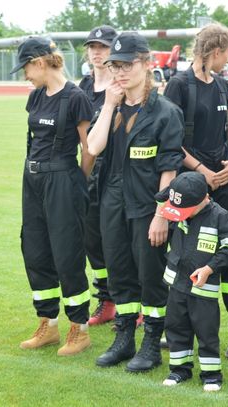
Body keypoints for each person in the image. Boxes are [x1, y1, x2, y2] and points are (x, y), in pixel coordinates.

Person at [87, 32, 184, 372]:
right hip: (112, 203)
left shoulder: (165, 112)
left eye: (127, 64)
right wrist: (110, 105)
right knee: (120, 273)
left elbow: (169, 168)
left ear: (147, 64)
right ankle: (124, 338)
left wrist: (162, 215)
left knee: (151, 276)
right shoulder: (108, 107)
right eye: (114, 65)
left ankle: (151, 345)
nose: (120, 73)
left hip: (147, 206)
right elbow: (94, 148)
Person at [163, 23, 228, 358]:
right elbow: (171, 139)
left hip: (226, 180)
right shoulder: (179, 85)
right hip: (193, 184)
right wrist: (202, 173)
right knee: (185, 253)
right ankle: (181, 326)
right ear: (216, 51)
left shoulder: (223, 84)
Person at [12, 37, 94, 356]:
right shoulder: (35, 98)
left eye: (27, 68)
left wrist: (76, 182)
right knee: (35, 249)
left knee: (66, 252)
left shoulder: (76, 98)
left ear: (41, 62)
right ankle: (47, 323)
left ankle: (79, 328)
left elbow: (89, 150)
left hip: (62, 177)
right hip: (31, 178)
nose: (25, 76)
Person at [156, 172, 228, 391]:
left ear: (203, 199)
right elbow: (161, 197)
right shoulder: (180, 199)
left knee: (206, 331)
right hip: (176, 282)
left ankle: (211, 374)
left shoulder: (221, 217)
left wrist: (210, 268)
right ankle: (179, 369)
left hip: (203, 287)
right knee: (175, 327)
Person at [79, 25, 118, 326]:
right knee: (93, 239)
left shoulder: (120, 85)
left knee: (121, 239)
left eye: (103, 47)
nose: (96, 52)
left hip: (116, 171)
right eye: (93, 46)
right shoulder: (82, 86)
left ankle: (136, 297)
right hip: (88, 173)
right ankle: (106, 300)